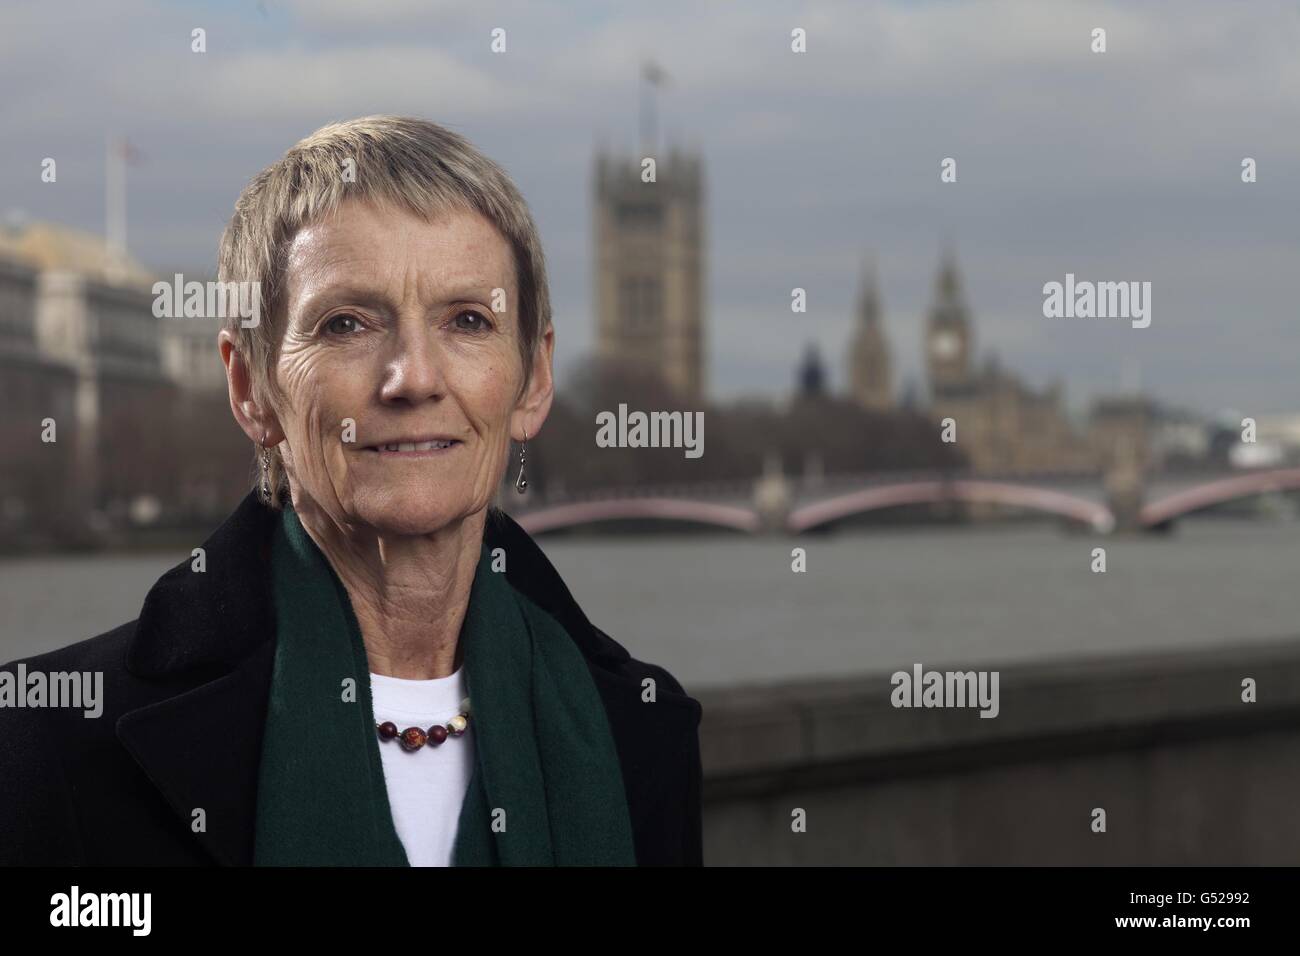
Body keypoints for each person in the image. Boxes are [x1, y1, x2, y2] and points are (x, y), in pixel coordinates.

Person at [0, 116, 703, 866]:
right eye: (346, 324)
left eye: (467, 320)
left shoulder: (640, 730)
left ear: (533, 378)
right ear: (251, 388)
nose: (414, 378)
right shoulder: (49, 744)